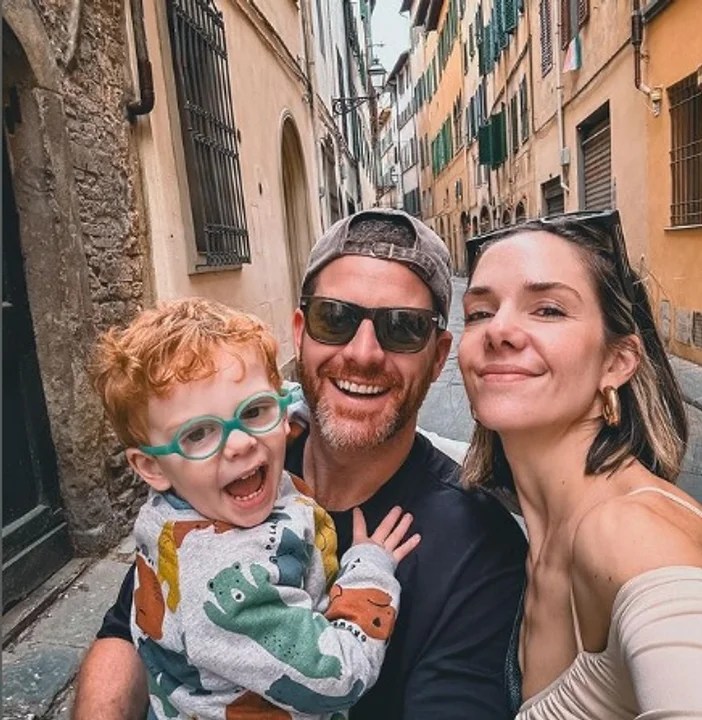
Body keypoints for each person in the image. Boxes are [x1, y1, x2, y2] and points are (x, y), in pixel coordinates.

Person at [73, 208, 527, 720]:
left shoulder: (477, 548)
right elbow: (125, 628)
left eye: (402, 328)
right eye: (335, 318)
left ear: (439, 355)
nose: (363, 353)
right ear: (300, 332)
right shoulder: (215, 480)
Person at [89, 297, 421, 718]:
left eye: (254, 411)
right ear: (151, 467)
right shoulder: (227, 587)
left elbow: (284, 400)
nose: (242, 442)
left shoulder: (192, 492)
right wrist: (370, 570)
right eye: (199, 434)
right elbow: (338, 679)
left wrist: (290, 411)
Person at [459, 210, 702, 718]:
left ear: (616, 362)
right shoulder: (542, 531)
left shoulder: (627, 532)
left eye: (548, 310)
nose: (498, 329)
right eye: (480, 312)